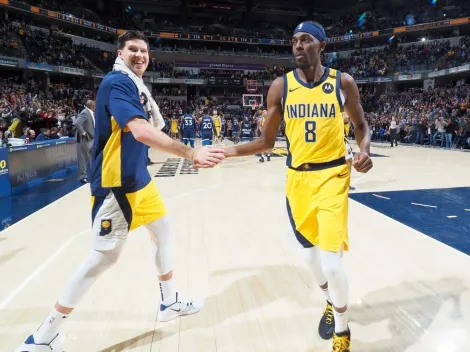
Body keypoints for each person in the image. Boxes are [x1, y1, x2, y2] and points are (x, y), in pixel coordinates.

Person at [16, 30, 225, 352]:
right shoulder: (118, 82)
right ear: (120, 53)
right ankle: (43, 336)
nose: (140, 55)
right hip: (117, 183)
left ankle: (169, 303)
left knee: (163, 233)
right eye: (133, 49)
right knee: (103, 258)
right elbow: (140, 131)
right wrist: (191, 153)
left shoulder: (135, 85)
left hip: (139, 178)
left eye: (144, 51)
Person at [223, 21, 373, 352]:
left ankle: (343, 330)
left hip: (333, 176)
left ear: (322, 46)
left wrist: (364, 151)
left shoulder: (341, 82)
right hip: (297, 181)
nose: (297, 46)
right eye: (293, 41)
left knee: (332, 264)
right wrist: (227, 151)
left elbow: (361, 126)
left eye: (305, 40)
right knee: (310, 261)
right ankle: (329, 304)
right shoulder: (281, 86)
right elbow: (266, 141)